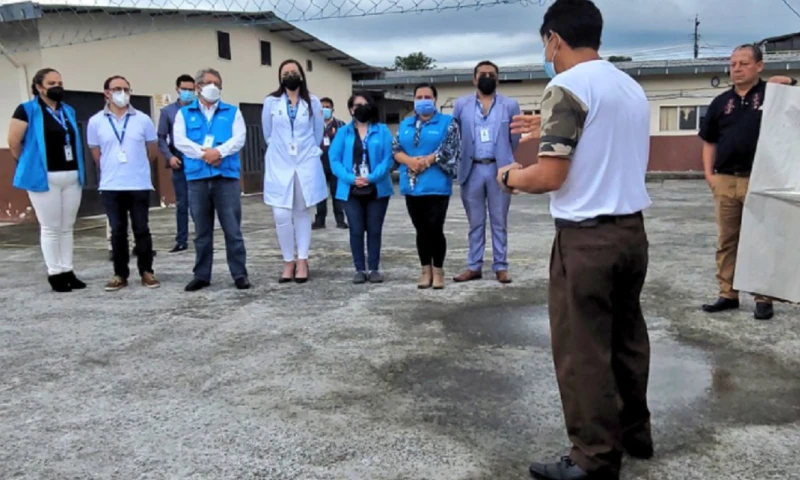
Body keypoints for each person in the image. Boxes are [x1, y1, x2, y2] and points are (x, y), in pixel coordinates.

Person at [498, 1, 653, 478]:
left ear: (554, 39)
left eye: (545, 43)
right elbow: (600, 143)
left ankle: (593, 457)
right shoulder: (629, 87)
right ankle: (635, 433)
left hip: (586, 240)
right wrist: (545, 125)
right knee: (627, 338)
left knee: (582, 350)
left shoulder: (566, 86)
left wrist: (510, 177)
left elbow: (549, 176)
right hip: (631, 232)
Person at [698, 44, 796, 321]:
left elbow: (795, 110)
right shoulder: (721, 102)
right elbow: (709, 141)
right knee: (727, 240)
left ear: (759, 66)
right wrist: (709, 175)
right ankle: (727, 293)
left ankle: (763, 297)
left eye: (744, 63)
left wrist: (790, 82)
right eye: (733, 64)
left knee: (762, 240)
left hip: (761, 179)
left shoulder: (773, 94)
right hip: (726, 179)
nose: (737, 69)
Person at [7, 68, 87, 292]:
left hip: (71, 175)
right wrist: (27, 162)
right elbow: (14, 142)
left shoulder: (68, 110)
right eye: (51, 83)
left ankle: (68, 269)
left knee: (67, 227)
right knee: (51, 227)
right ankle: (55, 273)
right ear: (39, 87)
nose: (57, 87)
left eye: (59, 83)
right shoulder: (26, 110)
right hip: (44, 176)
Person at [173, 67, 250, 291]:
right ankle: (202, 275)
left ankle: (239, 273)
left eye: (217, 83)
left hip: (225, 177)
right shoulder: (184, 114)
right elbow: (180, 141)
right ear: (198, 87)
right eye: (209, 83)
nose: (213, 87)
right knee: (201, 232)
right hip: (197, 178)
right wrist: (205, 154)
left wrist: (219, 153)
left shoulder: (232, 112)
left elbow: (239, 138)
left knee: (233, 230)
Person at [87, 75, 161, 292]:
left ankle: (147, 271)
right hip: (111, 185)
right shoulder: (96, 121)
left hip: (138, 184)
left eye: (126, 89)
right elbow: (96, 153)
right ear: (107, 93)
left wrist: (137, 165)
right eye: (117, 89)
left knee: (142, 229)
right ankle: (120, 274)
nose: (123, 93)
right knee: (118, 231)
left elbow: (152, 151)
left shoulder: (143, 119)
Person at [451, 60, 521, 285]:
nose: (487, 78)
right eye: (482, 74)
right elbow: (455, 135)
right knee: (475, 222)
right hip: (471, 169)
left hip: (499, 169)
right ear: (474, 79)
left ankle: (501, 266)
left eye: (491, 74)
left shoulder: (510, 105)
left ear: (498, 79)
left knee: (499, 220)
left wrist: (507, 160)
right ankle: (474, 266)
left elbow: (515, 138)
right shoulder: (461, 105)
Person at [261, 59, 328, 284]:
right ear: (280, 77)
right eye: (286, 72)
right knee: (281, 214)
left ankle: (302, 260)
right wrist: (282, 150)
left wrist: (306, 152)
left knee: (301, 211)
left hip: (304, 162)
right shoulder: (271, 102)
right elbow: (268, 134)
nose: (290, 75)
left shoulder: (313, 102)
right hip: (279, 163)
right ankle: (287, 260)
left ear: (301, 75)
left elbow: (317, 134)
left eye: (294, 71)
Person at [393, 83, 460, 289]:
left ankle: (438, 271)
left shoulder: (448, 123)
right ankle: (425, 270)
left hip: (437, 185)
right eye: (419, 97)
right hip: (412, 185)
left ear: (435, 100)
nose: (423, 101)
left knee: (435, 229)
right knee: (421, 230)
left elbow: (450, 148)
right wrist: (409, 161)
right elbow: (395, 148)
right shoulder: (405, 124)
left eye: (427, 97)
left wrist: (426, 161)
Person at [328, 93, 395, 284]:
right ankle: (359, 269)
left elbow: (388, 158)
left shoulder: (382, 131)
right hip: (350, 189)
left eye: (365, 104)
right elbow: (334, 159)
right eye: (357, 105)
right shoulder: (343, 132)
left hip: (377, 188)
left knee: (374, 230)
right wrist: (351, 179)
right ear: (351, 109)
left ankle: (374, 268)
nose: (361, 108)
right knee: (356, 230)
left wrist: (371, 177)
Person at [158, 73, 196, 254]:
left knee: (200, 202)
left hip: (198, 159)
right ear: (177, 89)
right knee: (182, 203)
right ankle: (182, 240)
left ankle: (203, 237)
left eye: (191, 89)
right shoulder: (168, 112)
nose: (188, 92)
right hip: (179, 160)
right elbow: (161, 138)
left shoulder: (199, 109)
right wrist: (169, 157)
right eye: (184, 89)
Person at [313, 97, 348, 230]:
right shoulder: (314, 125)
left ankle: (340, 220)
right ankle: (320, 220)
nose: (325, 109)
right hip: (319, 163)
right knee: (320, 192)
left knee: (337, 192)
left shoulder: (340, 125)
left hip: (336, 164)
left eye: (327, 107)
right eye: (322, 107)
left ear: (333, 109)